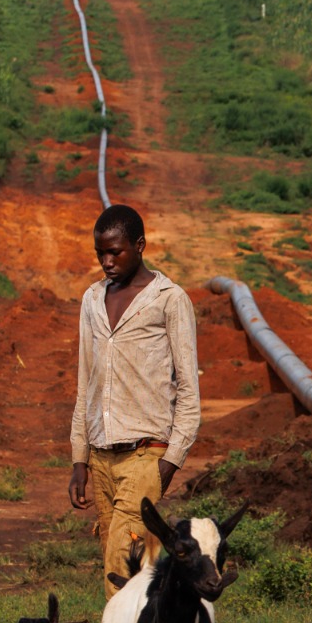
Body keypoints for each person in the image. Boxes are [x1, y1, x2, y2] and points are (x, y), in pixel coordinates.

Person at [68, 204, 200, 596]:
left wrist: (170, 460)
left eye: (116, 252)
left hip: (145, 456)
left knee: (117, 569)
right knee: (135, 570)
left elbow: (189, 390)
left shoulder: (168, 300)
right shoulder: (92, 300)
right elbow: (85, 385)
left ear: (139, 246)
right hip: (101, 457)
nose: (107, 262)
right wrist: (79, 459)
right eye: (100, 254)